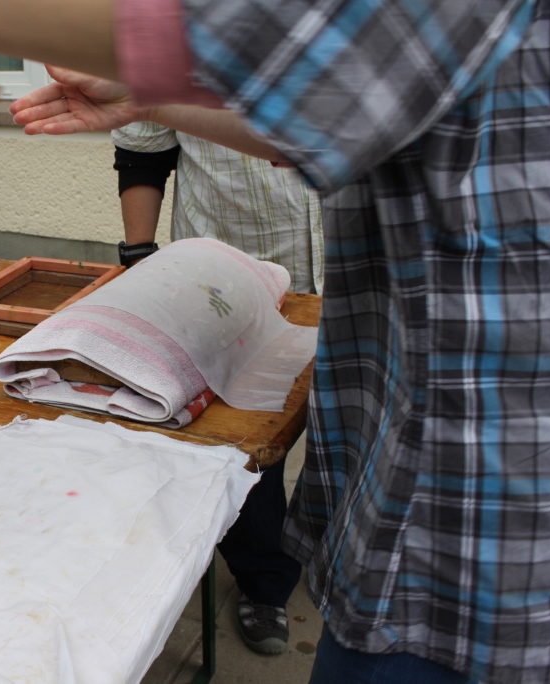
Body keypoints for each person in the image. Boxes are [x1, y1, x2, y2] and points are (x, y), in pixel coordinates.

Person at [0, 1, 550, 683]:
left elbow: (283, 48)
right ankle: (265, 571)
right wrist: (151, 102)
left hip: (481, 521)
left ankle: (264, 583)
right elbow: (313, 102)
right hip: (420, 457)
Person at [114, 121, 322, 654]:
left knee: (349, 424)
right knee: (246, 435)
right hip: (231, 273)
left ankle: (332, 551)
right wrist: (139, 259)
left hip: (359, 264)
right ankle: (263, 580)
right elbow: (142, 150)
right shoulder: (168, 66)